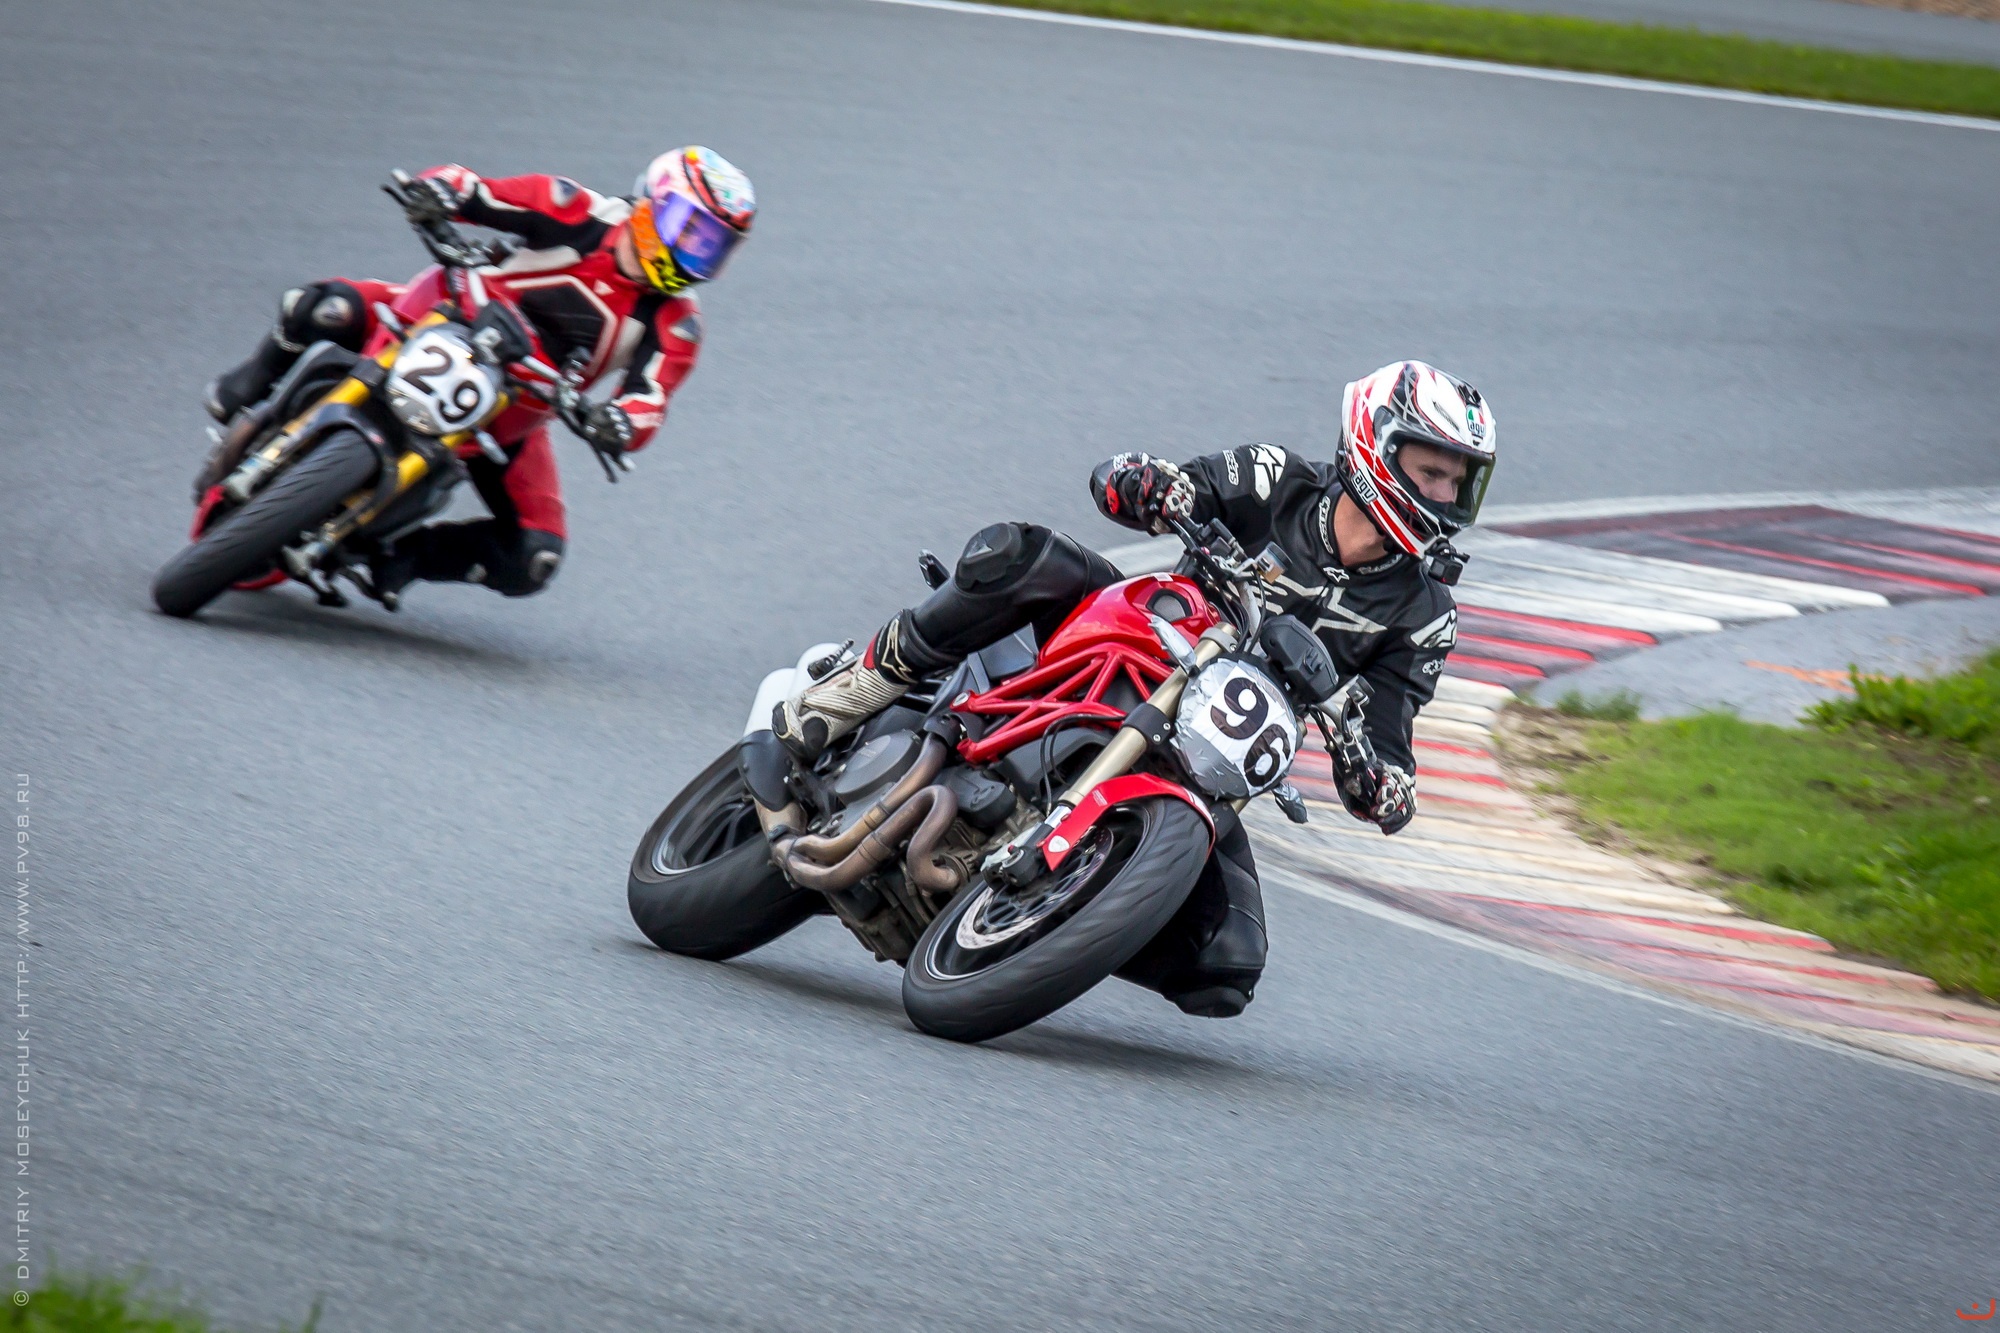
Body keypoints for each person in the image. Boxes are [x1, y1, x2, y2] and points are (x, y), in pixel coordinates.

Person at [772, 360, 1497, 1016]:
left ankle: (1049, 921)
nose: (1443, 495)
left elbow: (1390, 734)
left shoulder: (1425, 614)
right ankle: (852, 691)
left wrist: (1383, 785)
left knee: (1225, 965)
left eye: (1457, 482)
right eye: (1430, 472)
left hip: (1209, 758)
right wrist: (1146, 484)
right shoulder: (1278, 479)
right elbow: (1158, 483)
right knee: (1021, 556)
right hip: (1142, 639)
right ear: (1375, 444)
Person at [201, 147, 755, 606]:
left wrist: (619, 423)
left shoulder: (677, 324)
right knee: (321, 306)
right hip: (440, 317)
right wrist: (438, 193)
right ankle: (246, 389)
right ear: (651, 202)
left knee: (536, 557)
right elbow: (476, 188)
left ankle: (399, 556)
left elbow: (650, 399)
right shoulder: (577, 209)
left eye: (710, 246)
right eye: (687, 229)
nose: (692, 252)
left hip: (520, 404)